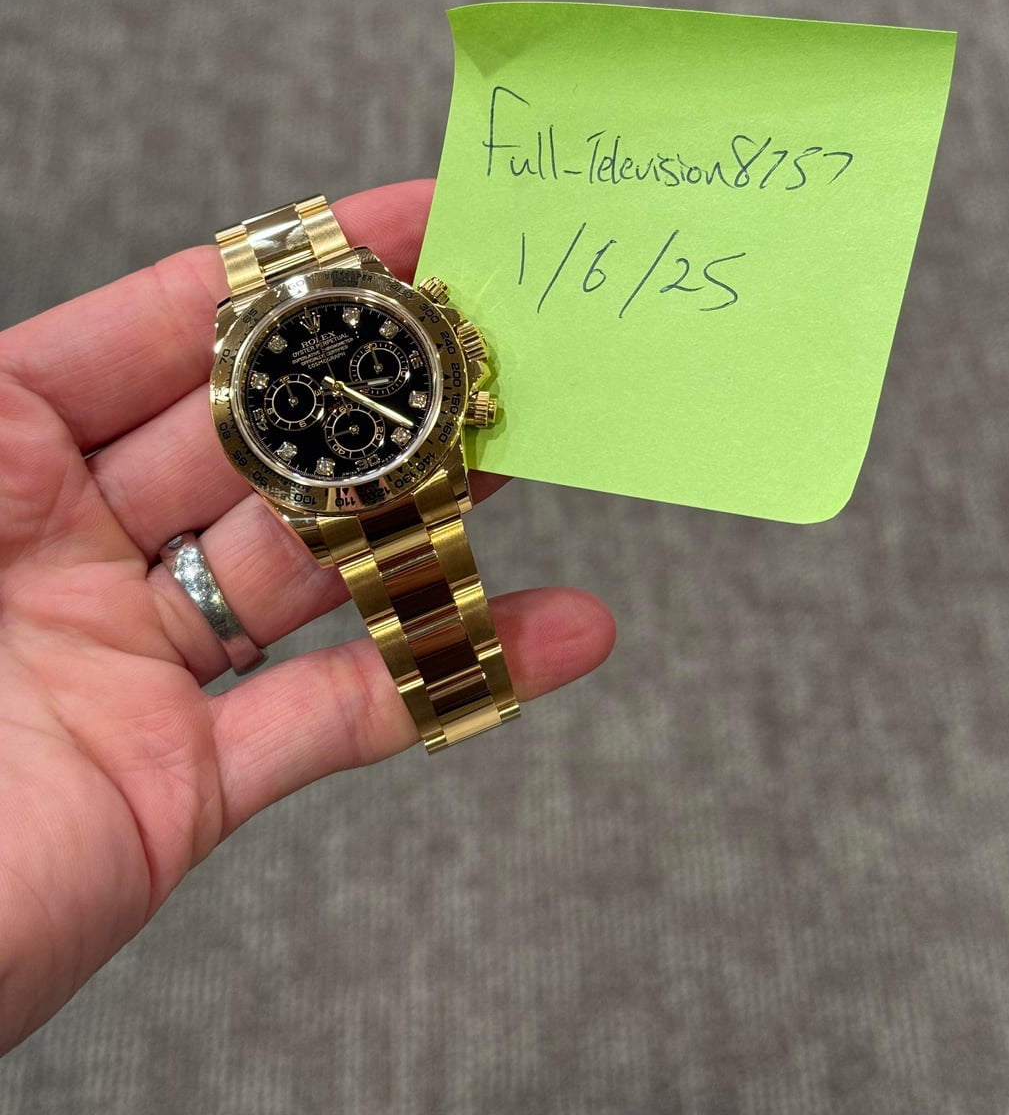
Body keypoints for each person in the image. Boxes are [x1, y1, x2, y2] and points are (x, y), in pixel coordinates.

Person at [0, 180, 615, 1055]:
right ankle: (456, 689)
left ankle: (459, 687)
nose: (326, 389)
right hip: (351, 486)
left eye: (357, 368)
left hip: (407, 459)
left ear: (453, 345)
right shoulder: (251, 411)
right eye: (300, 393)